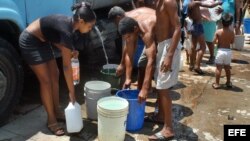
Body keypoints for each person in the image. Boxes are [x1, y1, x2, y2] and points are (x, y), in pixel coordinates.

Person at [18, 2, 96, 136]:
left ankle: (57, 111)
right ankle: (51, 119)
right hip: (30, 41)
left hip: (43, 40)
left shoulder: (71, 26)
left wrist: (69, 51)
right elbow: (67, 66)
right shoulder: (67, 30)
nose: (90, 29)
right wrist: (72, 92)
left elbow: (54, 37)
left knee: (55, 74)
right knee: (46, 81)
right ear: (81, 21)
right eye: (90, 26)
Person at [143, 0, 182, 140]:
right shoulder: (157, 3)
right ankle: (160, 116)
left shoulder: (168, 2)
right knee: (159, 84)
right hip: (162, 46)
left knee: (163, 87)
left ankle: (168, 129)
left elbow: (178, 27)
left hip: (169, 46)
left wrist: (169, 55)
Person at [108, 6, 156, 97]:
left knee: (158, 72)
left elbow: (151, 60)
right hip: (151, 38)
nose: (116, 25)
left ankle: (156, 100)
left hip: (164, 39)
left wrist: (145, 89)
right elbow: (129, 52)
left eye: (115, 23)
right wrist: (128, 78)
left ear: (118, 18)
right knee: (142, 64)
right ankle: (139, 92)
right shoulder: (128, 24)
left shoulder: (138, 24)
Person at [188, 0, 222, 75]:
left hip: (193, 25)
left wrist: (199, 16)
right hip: (198, 26)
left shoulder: (190, 4)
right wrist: (218, 3)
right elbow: (210, 6)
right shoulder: (197, 3)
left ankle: (191, 65)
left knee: (193, 46)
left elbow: (189, 16)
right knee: (203, 47)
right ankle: (197, 66)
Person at [212, 13, 234, 89]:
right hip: (228, 51)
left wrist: (218, 42)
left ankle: (217, 84)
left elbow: (213, 41)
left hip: (220, 51)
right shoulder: (232, 32)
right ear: (231, 23)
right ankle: (228, 82)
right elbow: (232, 42)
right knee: (227, 68)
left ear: (221, 22)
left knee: (218, 68)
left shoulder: (218, 31)